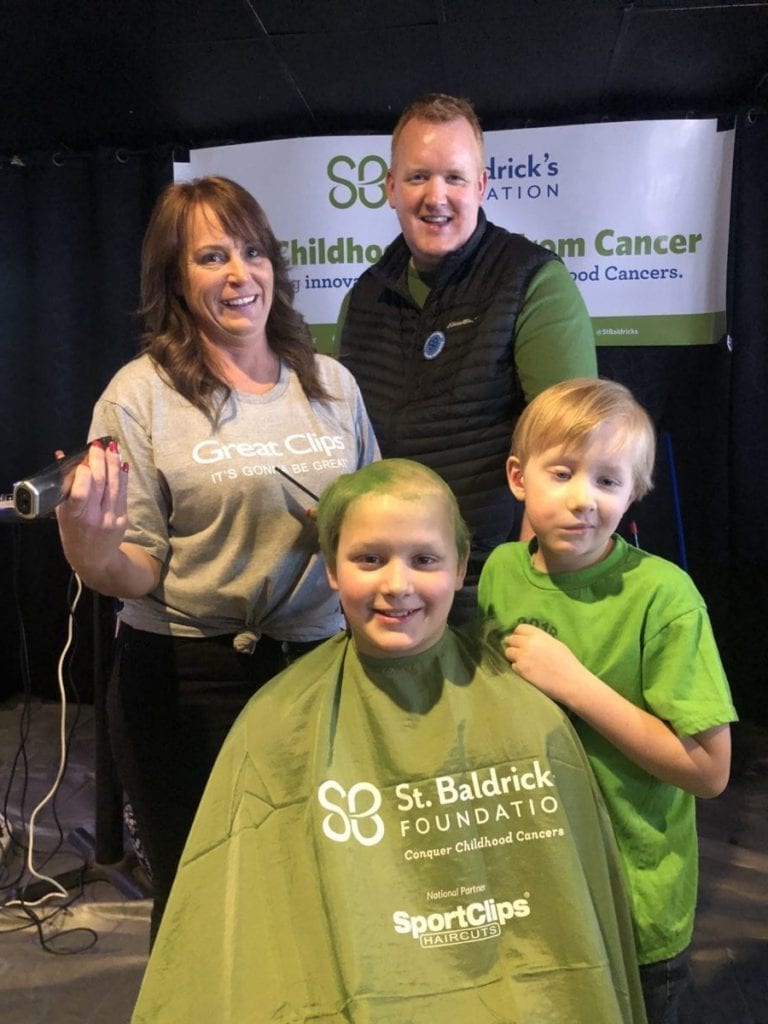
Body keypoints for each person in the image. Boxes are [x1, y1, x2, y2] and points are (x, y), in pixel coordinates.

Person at [131, 459, 647, 1024]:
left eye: (424, 559)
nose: (396, 585)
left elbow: (564, 926)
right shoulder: (277, 721)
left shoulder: (525, 711)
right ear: (332, 567)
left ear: (460, 566)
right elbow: (248, 927)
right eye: (369, 559)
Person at [55, 175, 379, 942]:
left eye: (253, 252)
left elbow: (373, 517)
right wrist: (91, 547)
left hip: (321, 673)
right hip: (186, 682)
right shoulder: (138, 397)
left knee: (316, 892)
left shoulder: (330, 383)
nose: (241, 275)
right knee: (203, 905)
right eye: (211, 257)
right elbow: (134, 568)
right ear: (174, 277)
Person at [477, 378, 738, 1024]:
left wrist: (575, 683)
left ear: (633, 494)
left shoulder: (663, 597)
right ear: (518, 477)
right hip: (532, 889)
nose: (581, 500)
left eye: (608, 481)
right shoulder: (500, 573)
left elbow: (709, 770)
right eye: (562, 472)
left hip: (632, 900)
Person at [338, 92, 597, 621]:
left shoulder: (533, 281)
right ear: (390, 188)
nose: (437, 196)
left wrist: (525, 584)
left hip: (495, 586)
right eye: (417, 177)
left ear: (481, 186)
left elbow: (569, 449)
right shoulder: (362, 296)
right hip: (391, 593)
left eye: (455, 177)